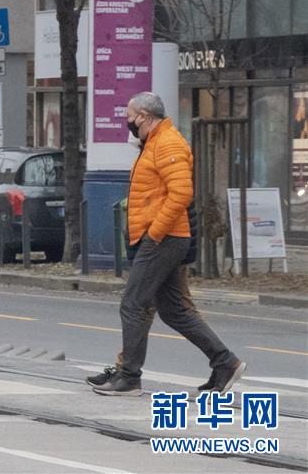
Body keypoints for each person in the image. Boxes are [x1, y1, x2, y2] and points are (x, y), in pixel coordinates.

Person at [91, 92, 245, 396]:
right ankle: (225, 362)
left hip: (164, 238)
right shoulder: (154, 143)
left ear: (145, 117)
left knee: (133, 303)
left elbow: (181, 194)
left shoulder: (168, 142)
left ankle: (129, 376)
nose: (128, 123)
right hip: (161, 237)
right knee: (174, 311)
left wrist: (156, 232)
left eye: (130, 117)